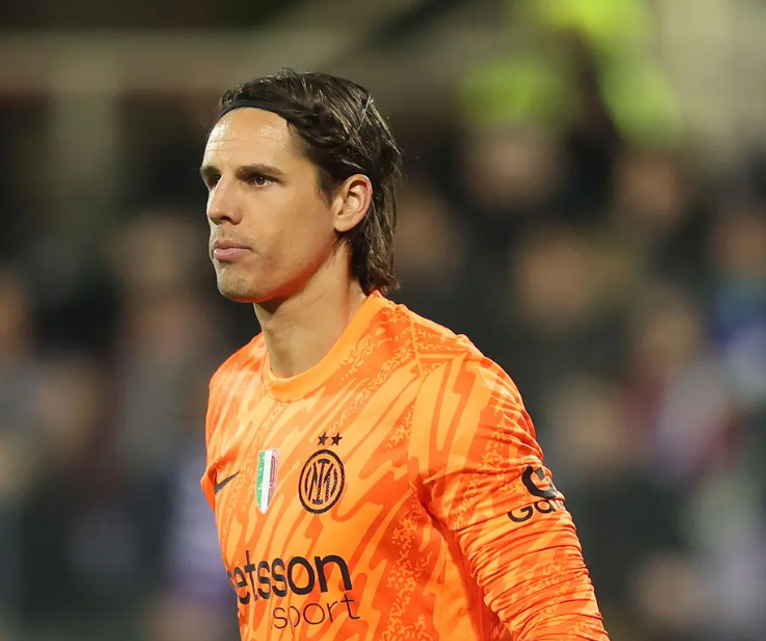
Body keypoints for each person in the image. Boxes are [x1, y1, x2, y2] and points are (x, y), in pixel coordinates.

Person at [199, 68, 609, 641]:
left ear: (348, 202)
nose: (220, 206)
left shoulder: (442, 387)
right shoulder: (232, 391)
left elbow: (561, 623)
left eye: (260, 179)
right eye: (213, 180)